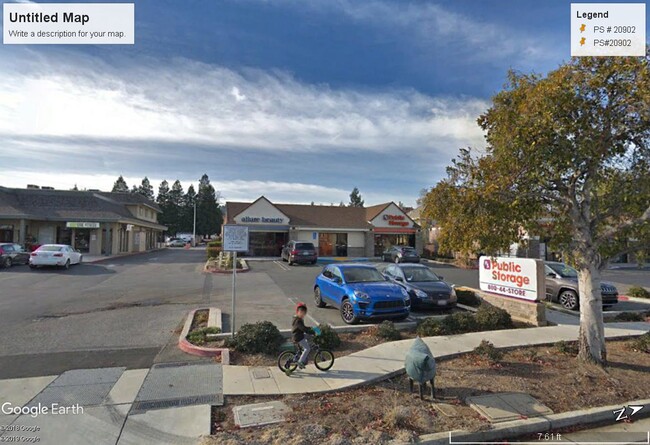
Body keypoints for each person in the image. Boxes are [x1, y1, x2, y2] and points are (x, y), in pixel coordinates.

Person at [287, 302, 314, 375]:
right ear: (297, 312)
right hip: (298, 337)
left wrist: (311, 329)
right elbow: (303, 328)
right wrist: (312, 331)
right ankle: (300, 361)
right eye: (301, 312)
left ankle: (301, 357)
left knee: (306, 342)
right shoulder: (298, 320)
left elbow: (304, 328)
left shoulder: (298, 318)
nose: (302, 314)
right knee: (307, 348)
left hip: (298, 335)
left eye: (304, 313)